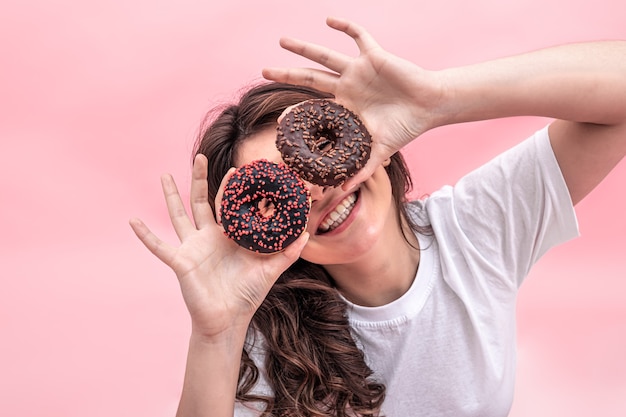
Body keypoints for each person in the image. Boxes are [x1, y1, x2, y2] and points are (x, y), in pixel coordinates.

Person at [129, 17, 626, 417]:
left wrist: (438, 99)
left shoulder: (473, 228)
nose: (318, 190)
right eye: (282, 193)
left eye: (321, 152)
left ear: (371, 144)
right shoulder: (267, 330)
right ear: (259, 232)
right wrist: (216, 335)